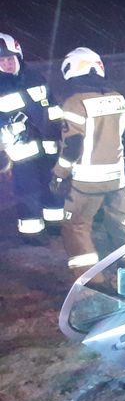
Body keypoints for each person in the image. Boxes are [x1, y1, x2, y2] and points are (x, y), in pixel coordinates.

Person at [52, 47, 125, 288]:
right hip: (117, 179)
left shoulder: (74, 103)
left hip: (87, 182)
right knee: (120, 227)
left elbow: (71, 145)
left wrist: (59, 174)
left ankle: (93, 287)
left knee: (76, 228)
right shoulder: (117, 97)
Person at [0, 33, 64, 243]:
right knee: (27, 190)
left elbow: (53, 108)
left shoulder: (36, 78)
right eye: (1, 61)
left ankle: (55, 224)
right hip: (21, 150)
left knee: (51, 185)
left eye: (10, 59)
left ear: (18, 56)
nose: (7, 64)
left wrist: (57, 132)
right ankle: (31, 233)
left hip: (47, 145)